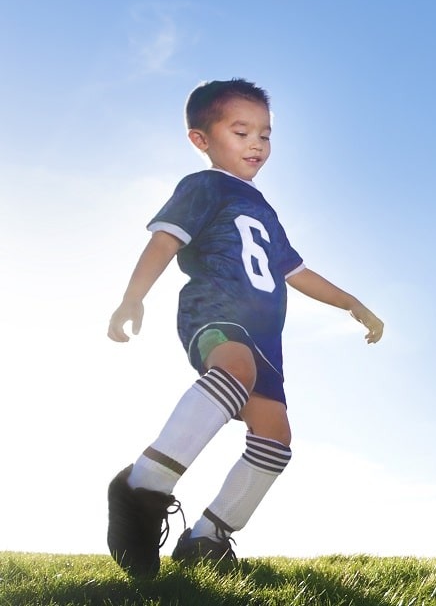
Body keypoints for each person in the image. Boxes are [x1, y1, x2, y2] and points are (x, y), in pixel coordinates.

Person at [105, 78, 384, 579]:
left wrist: (352, 303)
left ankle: (207, 538)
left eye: (266, 134)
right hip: (215, 309)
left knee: (276, 435)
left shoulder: (265, 210)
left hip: (265, 334)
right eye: (241, 131)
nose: (257, 143)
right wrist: (133, 297)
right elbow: (166, 242)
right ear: (202, 139)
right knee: (232, 367)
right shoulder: (203, 186)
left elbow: (296, 273)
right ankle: (141, 489)